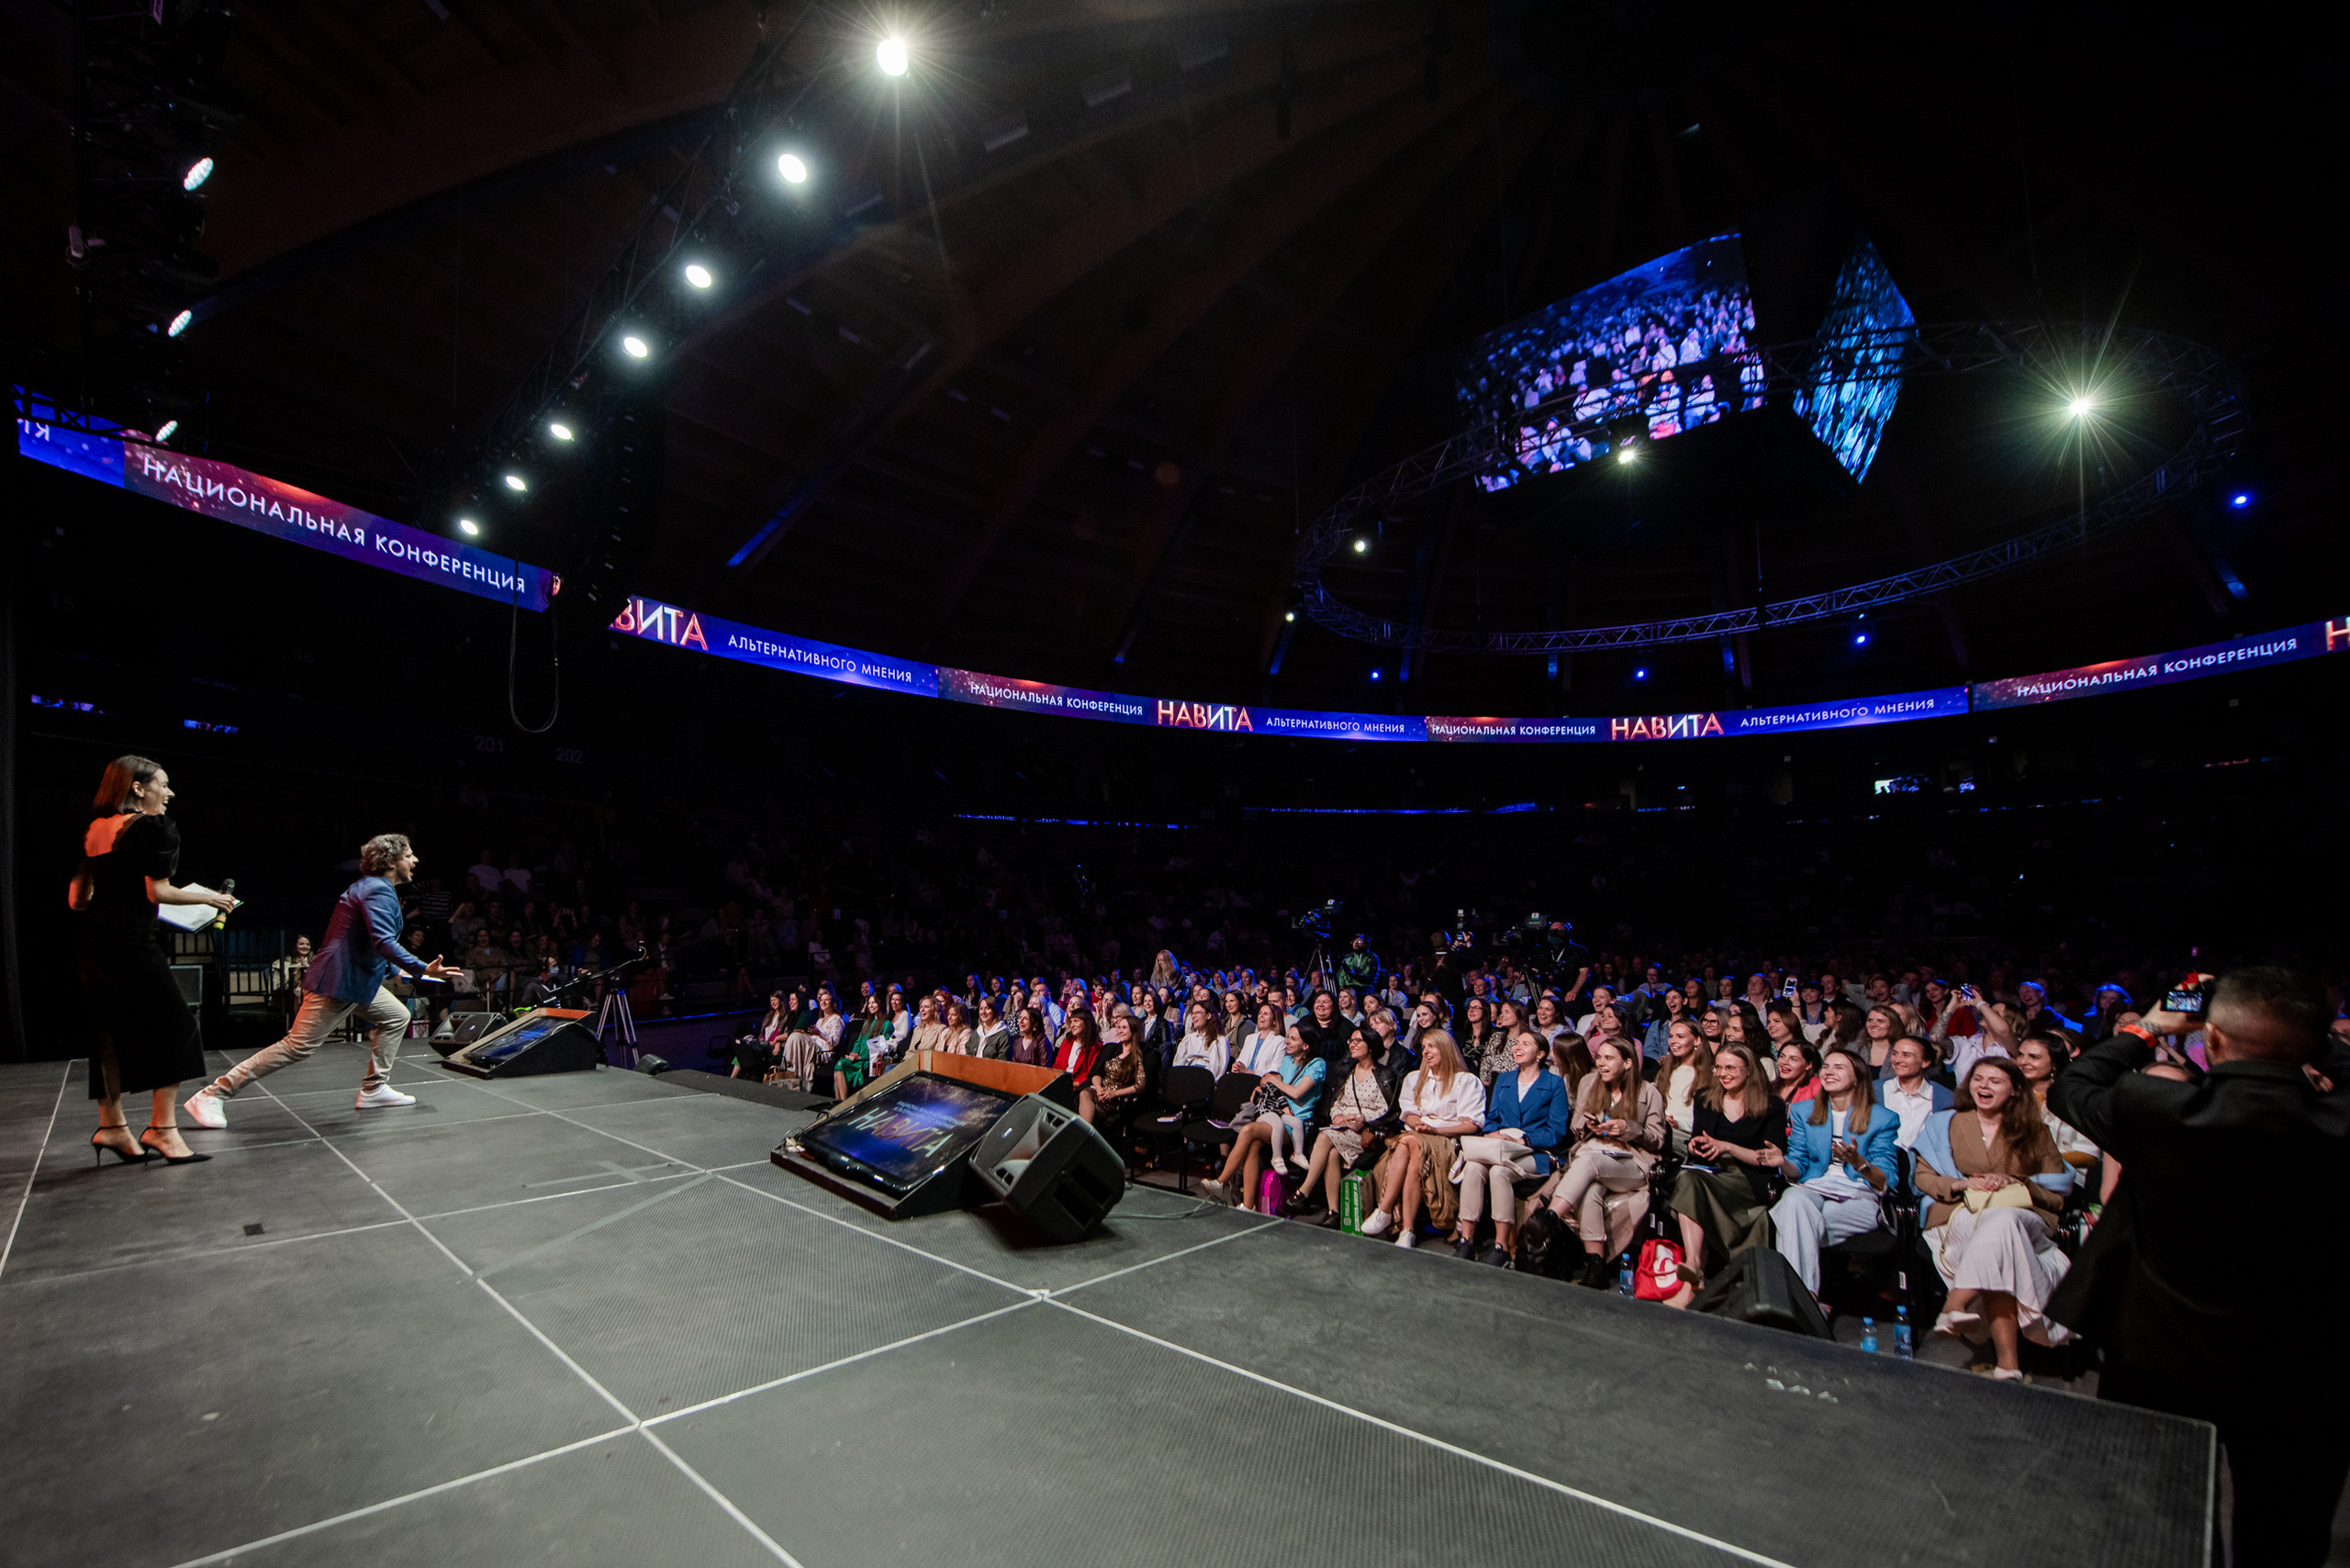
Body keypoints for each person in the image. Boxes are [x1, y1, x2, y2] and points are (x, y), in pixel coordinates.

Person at [2049, 968, 2349, 1565]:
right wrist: (2308, 1038)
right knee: (2287, 1535)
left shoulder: (2155, 1107)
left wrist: (2149, 1025)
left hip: (2161, 1352)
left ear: (2210, 1039)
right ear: (2314, 1040)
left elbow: (2073, 1084)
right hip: (2306, 1365)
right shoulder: (2340, 1123)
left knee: (2160, 1524)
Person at [185, 833, 461, 1126]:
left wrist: (395, 972)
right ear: (391, 861)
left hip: (355, 980)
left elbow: (366, 941)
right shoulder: (377, 890)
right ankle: (214, 1093)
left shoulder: (375, 887)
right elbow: (382, 941)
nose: (414, 860)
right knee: (298, 1046)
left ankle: (374, 1088)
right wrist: (422, 968)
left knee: (395, 1016)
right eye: (408, 855)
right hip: (338, 980)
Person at [68, 756, 237, 1164]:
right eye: (163, 784)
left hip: (93, 942)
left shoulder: (95, 830)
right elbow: (157, 892)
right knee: (178, 1025)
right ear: (138, 789)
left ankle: (112, 1128)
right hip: (131, 943)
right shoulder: (150, 829)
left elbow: (78, 898)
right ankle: (162, 1130)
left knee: (107, 1031)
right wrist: (210, 897)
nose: (170, 793)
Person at [1912, 1055, 2071, 1379]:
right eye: (1978, 1079)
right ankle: (2008, 1365)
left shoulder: (2035, 1131)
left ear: (2014, 1090)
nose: (1983, 1086)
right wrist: (1962, 1182)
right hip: (1962, 1210)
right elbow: (1924, 1177)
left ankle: (1953, 1306)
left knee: (2002, 1221)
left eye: (1995, 1081)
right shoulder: (1945, 1123)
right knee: (1999, 1246)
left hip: (2024, 1215)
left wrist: (2017, 1181)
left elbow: (2057, 1193)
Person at [1769, 1049, 1898, 1296]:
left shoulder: (1882, 1118)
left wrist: (1859, 1162)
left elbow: (1886, 1179)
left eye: (1839, 1067)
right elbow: (1798, 1166)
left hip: (1859, 1197)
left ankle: (1795, 1301)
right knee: (1793, 1201)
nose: (1828, 1071)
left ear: (1857, 1077)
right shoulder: (1804, 1111)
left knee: (1791, 1217)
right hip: (1815, 1188)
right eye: (1826, 1066)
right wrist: (1782, 1162)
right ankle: (1807, 1299)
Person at [1548, 1037, 1666, 1286]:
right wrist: (1588, 1125)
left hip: (1632, 1164)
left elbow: (1657, 1140)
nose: (1601, 1063)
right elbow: (1576, 1128)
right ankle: (1596, 1267)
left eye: (1609, 1058)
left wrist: (1629, 1128)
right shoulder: (1590, 1083)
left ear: (1627, 1063)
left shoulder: (1648, 1091)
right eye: (1599, 1057)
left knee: (1588, 1162)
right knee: (1590, 1191)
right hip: (1597, 1154)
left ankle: (1549, 1218)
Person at [1670, 1043, 1789, 1288]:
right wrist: (1695, 1145)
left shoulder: (1771, 1105)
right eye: (1719, 1068)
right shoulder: (1705, 1097)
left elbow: (1770, 1157)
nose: (1723, 1073)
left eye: (1730, 1068)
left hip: (1750, 1178)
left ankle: (1697, 1273)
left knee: (1692, 1184)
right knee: (1687, 1178)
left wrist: (1728, 1147)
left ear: (1749, 1070)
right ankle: (1693, 1265)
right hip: (1711, 1171)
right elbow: (1698, 1138)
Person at [1451, 1027, 1570, 1266]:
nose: (1518, 1048)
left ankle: (1502, 1245)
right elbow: (1492, 1117)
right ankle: (1467, 1240)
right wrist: (1493, 1132)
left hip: (1535, 1153)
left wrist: (1523, 1140)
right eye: (1517, 1044)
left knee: (1499, 1172)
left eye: (1526, 1044)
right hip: (1500, 1148)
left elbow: (1556, 1131)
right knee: (1473, 1167)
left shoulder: (1554, 1084)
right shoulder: (1504, 1079)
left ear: (1540, 1054)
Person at [1361, 1028, 1484, 1245]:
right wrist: (1415, 1123)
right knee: (1411, 1148)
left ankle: (1385, 1210)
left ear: (1445, 1049)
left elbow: (1470, 1125)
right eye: (1424, 1047)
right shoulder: (1415, 1078)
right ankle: (1407, 1231)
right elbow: (1407, 1113)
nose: (1426, 1052)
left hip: (1447, 1140)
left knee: (1409, 1141)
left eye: (1432, 1046)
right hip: (1416, 1138)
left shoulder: (1465, 1081)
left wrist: (1434, 1130)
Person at [1203, 1024, 1326, 1211]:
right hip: (1274, 1115)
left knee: (1248, 1130)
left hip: (1294, 1124)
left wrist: (1273, 1081)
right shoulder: (1286, 1062)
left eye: (1293, 1039)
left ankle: (1220, 1182)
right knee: (1253, 1146)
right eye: (1288, 1037)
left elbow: (1297, 1092)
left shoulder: (1317, 1064)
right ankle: (1249, 1206)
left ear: (1306, 1045)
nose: (1287, 1042)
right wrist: (1263, 1087)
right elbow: (1269, 1082)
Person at [1290, 1024, 1402, 1224]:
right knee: (1332, 1152)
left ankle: (1303, 1192)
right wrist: (1338, 1115)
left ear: (1371, 1045)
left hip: (1369, 1133)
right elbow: (1337, 1102)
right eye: (1351, 1041)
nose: (1353, 1044)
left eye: (1358, 1041)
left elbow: (1388, 1111)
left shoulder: (1386, 1075)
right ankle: (1334, 1212)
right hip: (1342, 1129)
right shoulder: (1347, 1072)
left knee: (1325, 1137)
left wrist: (1360, 1118)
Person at [1877, 1036, 1953, 1149]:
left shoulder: (1943, 1097)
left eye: (1906, 1055)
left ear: (1925, 1062)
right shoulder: (1875, 1090)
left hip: (1922, 1164)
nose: (1897, 1060)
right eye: (1894, 1054)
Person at [1171, 1000, 1230, 1078]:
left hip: (1205, 1079)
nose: (1193, 1016)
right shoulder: (1188, 1039)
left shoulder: (1219, 1041)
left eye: (1197, 1013)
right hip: (1186, 1077)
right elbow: (1178, 1064)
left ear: (1208, 1016)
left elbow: (1218, 1071)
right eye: (1192, 1013)